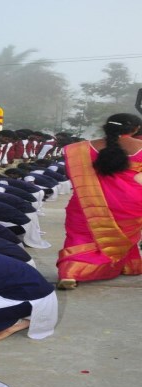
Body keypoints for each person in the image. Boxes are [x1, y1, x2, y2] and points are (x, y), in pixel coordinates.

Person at [57, 113, 142, 289]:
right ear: (135, 129)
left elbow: (71, 175)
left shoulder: (77, 149)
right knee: (123, 237)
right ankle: (124, 265)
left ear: (106, 127)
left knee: (80, 236)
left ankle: (70, 273)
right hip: (130, 203)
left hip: (87, 201)